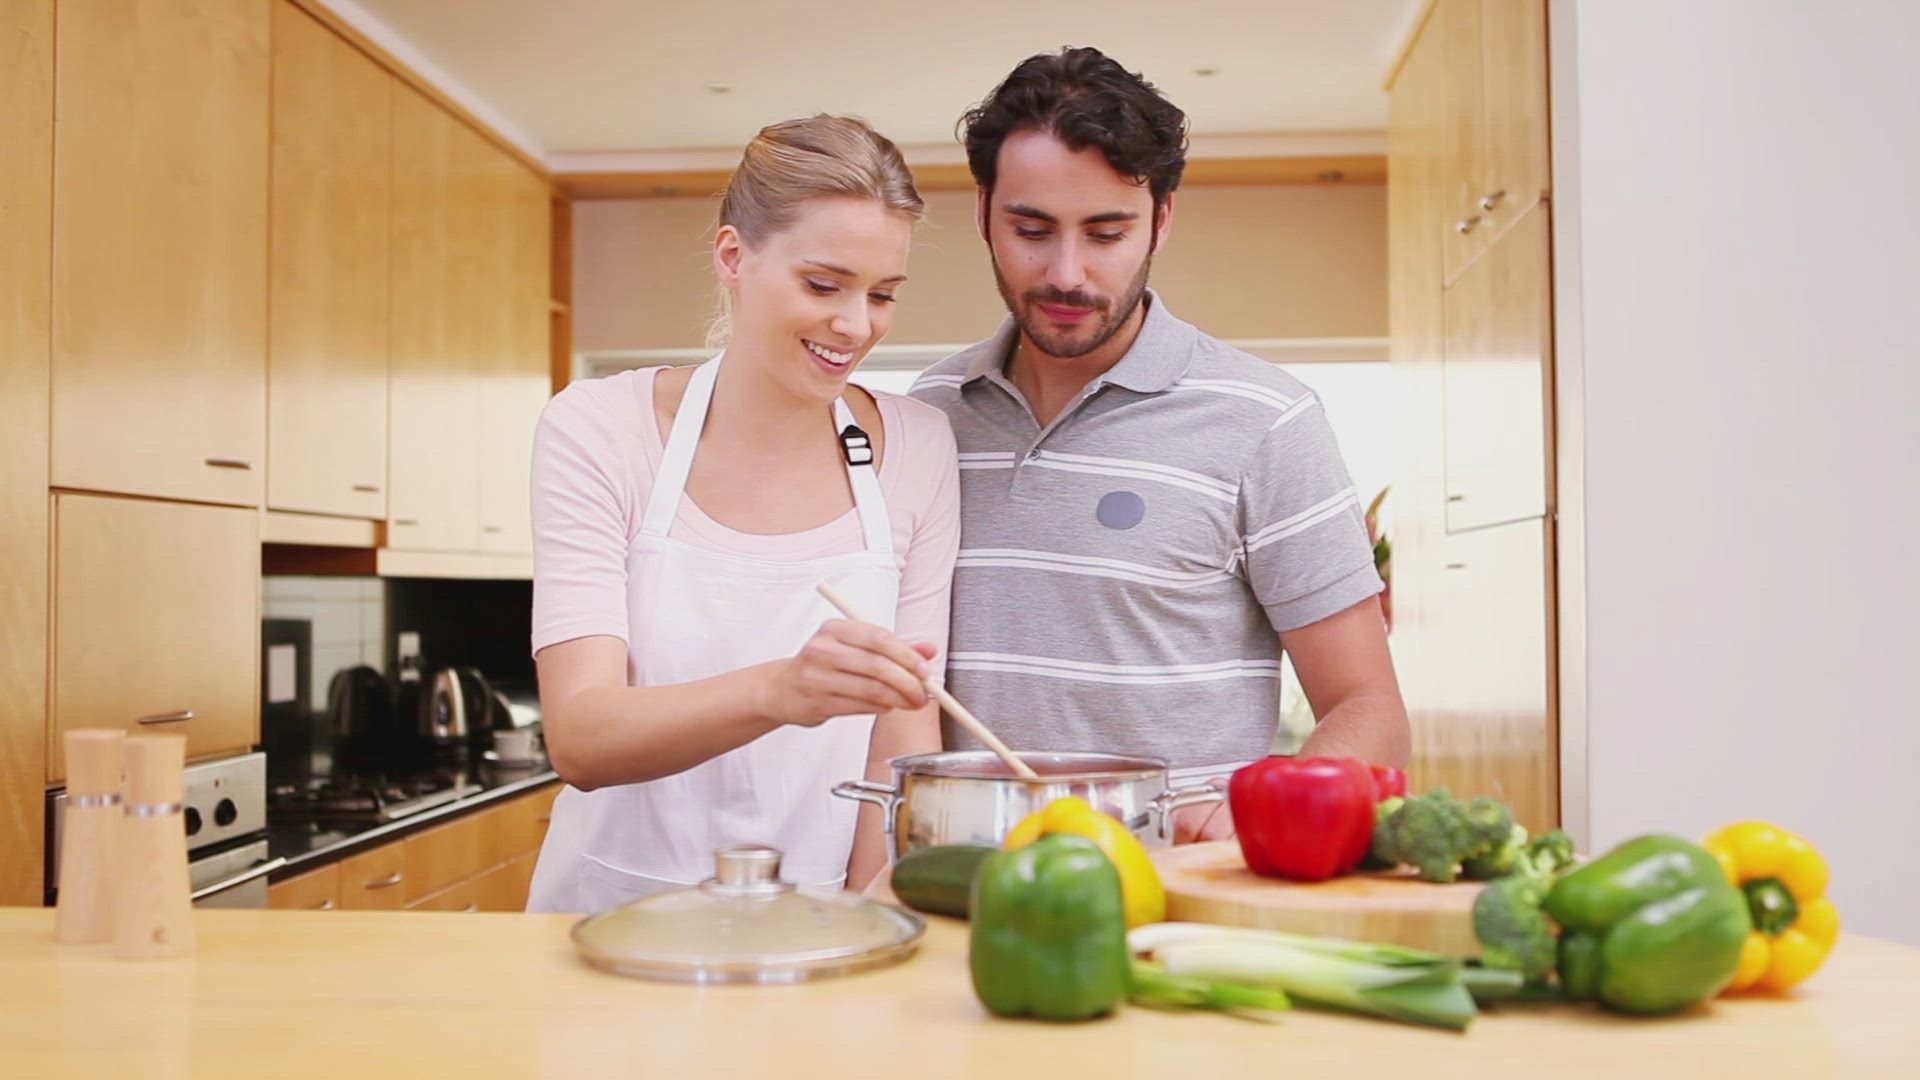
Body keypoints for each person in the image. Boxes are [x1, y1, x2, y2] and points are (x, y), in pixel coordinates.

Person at [910, 48, 1410, 840]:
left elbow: (1368, 707)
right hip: (964, 882)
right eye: (1031, 230)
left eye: (1106, 233)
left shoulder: (1267, 420)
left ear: (1162, 221)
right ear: (983, 215)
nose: (1067, 273)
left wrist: (1256, 827)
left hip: (1177, 889)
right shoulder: (927, 414)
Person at [525, 116, 961, 911]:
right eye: (823, 286)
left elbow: (900, 739)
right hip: (603, 920)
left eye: (882, 294)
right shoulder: (598, 428)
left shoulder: (919, 448)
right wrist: (780, 690)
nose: (855, 325)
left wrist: (869, 921)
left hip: (821, 925)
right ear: (733, 257)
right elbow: (582, 738)